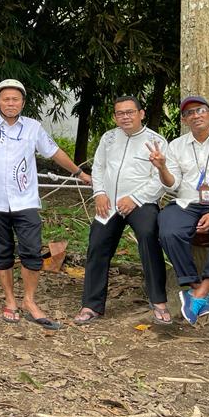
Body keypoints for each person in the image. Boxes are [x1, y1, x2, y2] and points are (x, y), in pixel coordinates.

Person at [0, 79, 91, 330]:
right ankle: (10, 301)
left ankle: (30, 301)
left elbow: (54, 152)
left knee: (32, 252)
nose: (11, 103)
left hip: (25, 201)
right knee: (2, 253)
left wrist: (79, 173)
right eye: (6, 99)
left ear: (22, 102)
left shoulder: (33, 127)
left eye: (15, 99)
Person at [147, 95, 209, 326]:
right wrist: (162, 167)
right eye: (189, 113)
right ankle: (194, 285)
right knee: (169, 230)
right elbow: (171, 185)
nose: (196, 115)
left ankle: (202, 293)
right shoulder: (176, 146)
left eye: (200, 110)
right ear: (185, 120)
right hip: (187, 203)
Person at [74, 96, 170, 326]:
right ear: (115, 116)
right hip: (109, 202)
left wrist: (135, 198)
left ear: (141, 114)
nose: (125, 117)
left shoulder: (156, 141)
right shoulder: (108, 138)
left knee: (148, 236)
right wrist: (99, 194)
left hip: (142, 202)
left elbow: (161, 179)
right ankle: (91, 305)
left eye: (130, 112)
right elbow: (98, 168)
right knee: (97, 244)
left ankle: (159, 301)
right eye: (120, 113)